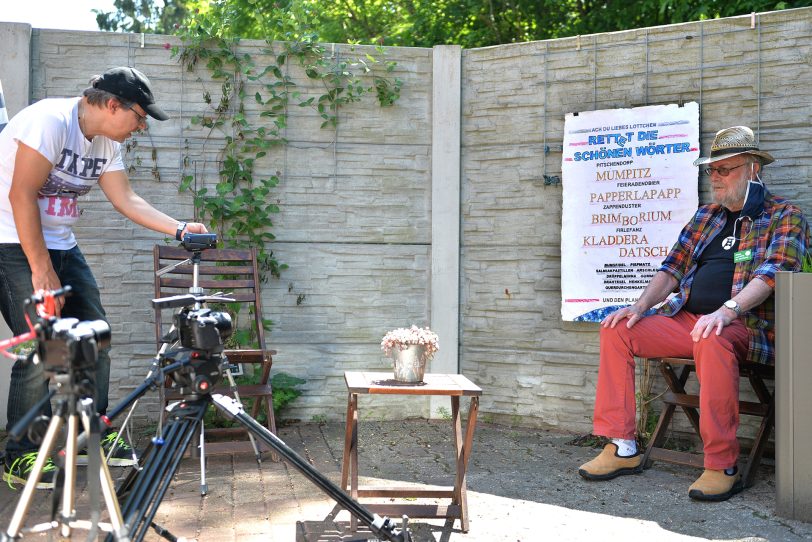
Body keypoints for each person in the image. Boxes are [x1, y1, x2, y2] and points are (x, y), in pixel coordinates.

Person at [0, 67, 207, 489]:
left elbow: (125, 198)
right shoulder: (49, 121)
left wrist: (180, 229)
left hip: (59, 243)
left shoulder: (106, 143)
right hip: (9, 241)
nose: (142, 126)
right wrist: (42, 268)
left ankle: (88, 431)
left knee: (96, 336)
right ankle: (18, 455)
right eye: (139, 116)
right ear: (113, 104)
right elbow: (20, 194)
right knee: (46, 343)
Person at [577, 126, 810, 501]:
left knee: (712, 334)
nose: (715, 178)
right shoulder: (707, 216)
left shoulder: (786, 216)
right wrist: (639, 306)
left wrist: (728, 310)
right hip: (689, 320)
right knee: (617, 329)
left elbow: (777, 273)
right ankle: (621, 446)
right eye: (711, 171)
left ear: (753, 170)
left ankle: (721, 465)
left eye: (724, 169)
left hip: (747, 325)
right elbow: (673, 267)